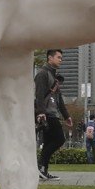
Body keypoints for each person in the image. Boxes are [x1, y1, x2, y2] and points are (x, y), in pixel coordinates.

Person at [34, 50, 70, 181]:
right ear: (50, 58)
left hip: (52, 113)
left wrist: (66, 116)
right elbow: (39, 95)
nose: (61, 60)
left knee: (49, 141)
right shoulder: (42, 74)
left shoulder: (54, 76)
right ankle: (40, 167)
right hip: (47, 114)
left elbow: (59, 99)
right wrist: (41, 112)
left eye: (61, 57)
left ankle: (43, 170)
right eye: (58, 57)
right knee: (59, 139)